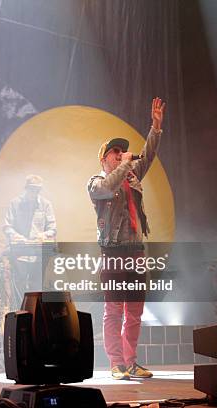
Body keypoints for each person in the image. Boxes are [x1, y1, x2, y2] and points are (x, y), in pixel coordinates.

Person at [87, 97, 165, 380]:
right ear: (104, 158)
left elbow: (149, 154)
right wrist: (125, 165)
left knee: (134, 311)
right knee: (114, 309)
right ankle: (116, 363)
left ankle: (131, 362)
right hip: (113, 253)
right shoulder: (97, 182)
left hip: (135, 251)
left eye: (122, 152)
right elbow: (109, 185)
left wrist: (155, 128)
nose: (120, 155)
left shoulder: (132, 176)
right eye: (114, 152)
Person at [3, 175, 57, 307]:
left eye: (37, 190)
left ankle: (34, 313)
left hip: (38, 252)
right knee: (19, 284)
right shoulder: (15, 203)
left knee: (36, 285)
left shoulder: (45, 204)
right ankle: (18, 313)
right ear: (26, 188)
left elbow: (52, 228)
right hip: (20, 252)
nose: (35, 193)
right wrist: (16, 236)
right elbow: (7, 226)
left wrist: (43, 235)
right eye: (32, 189)